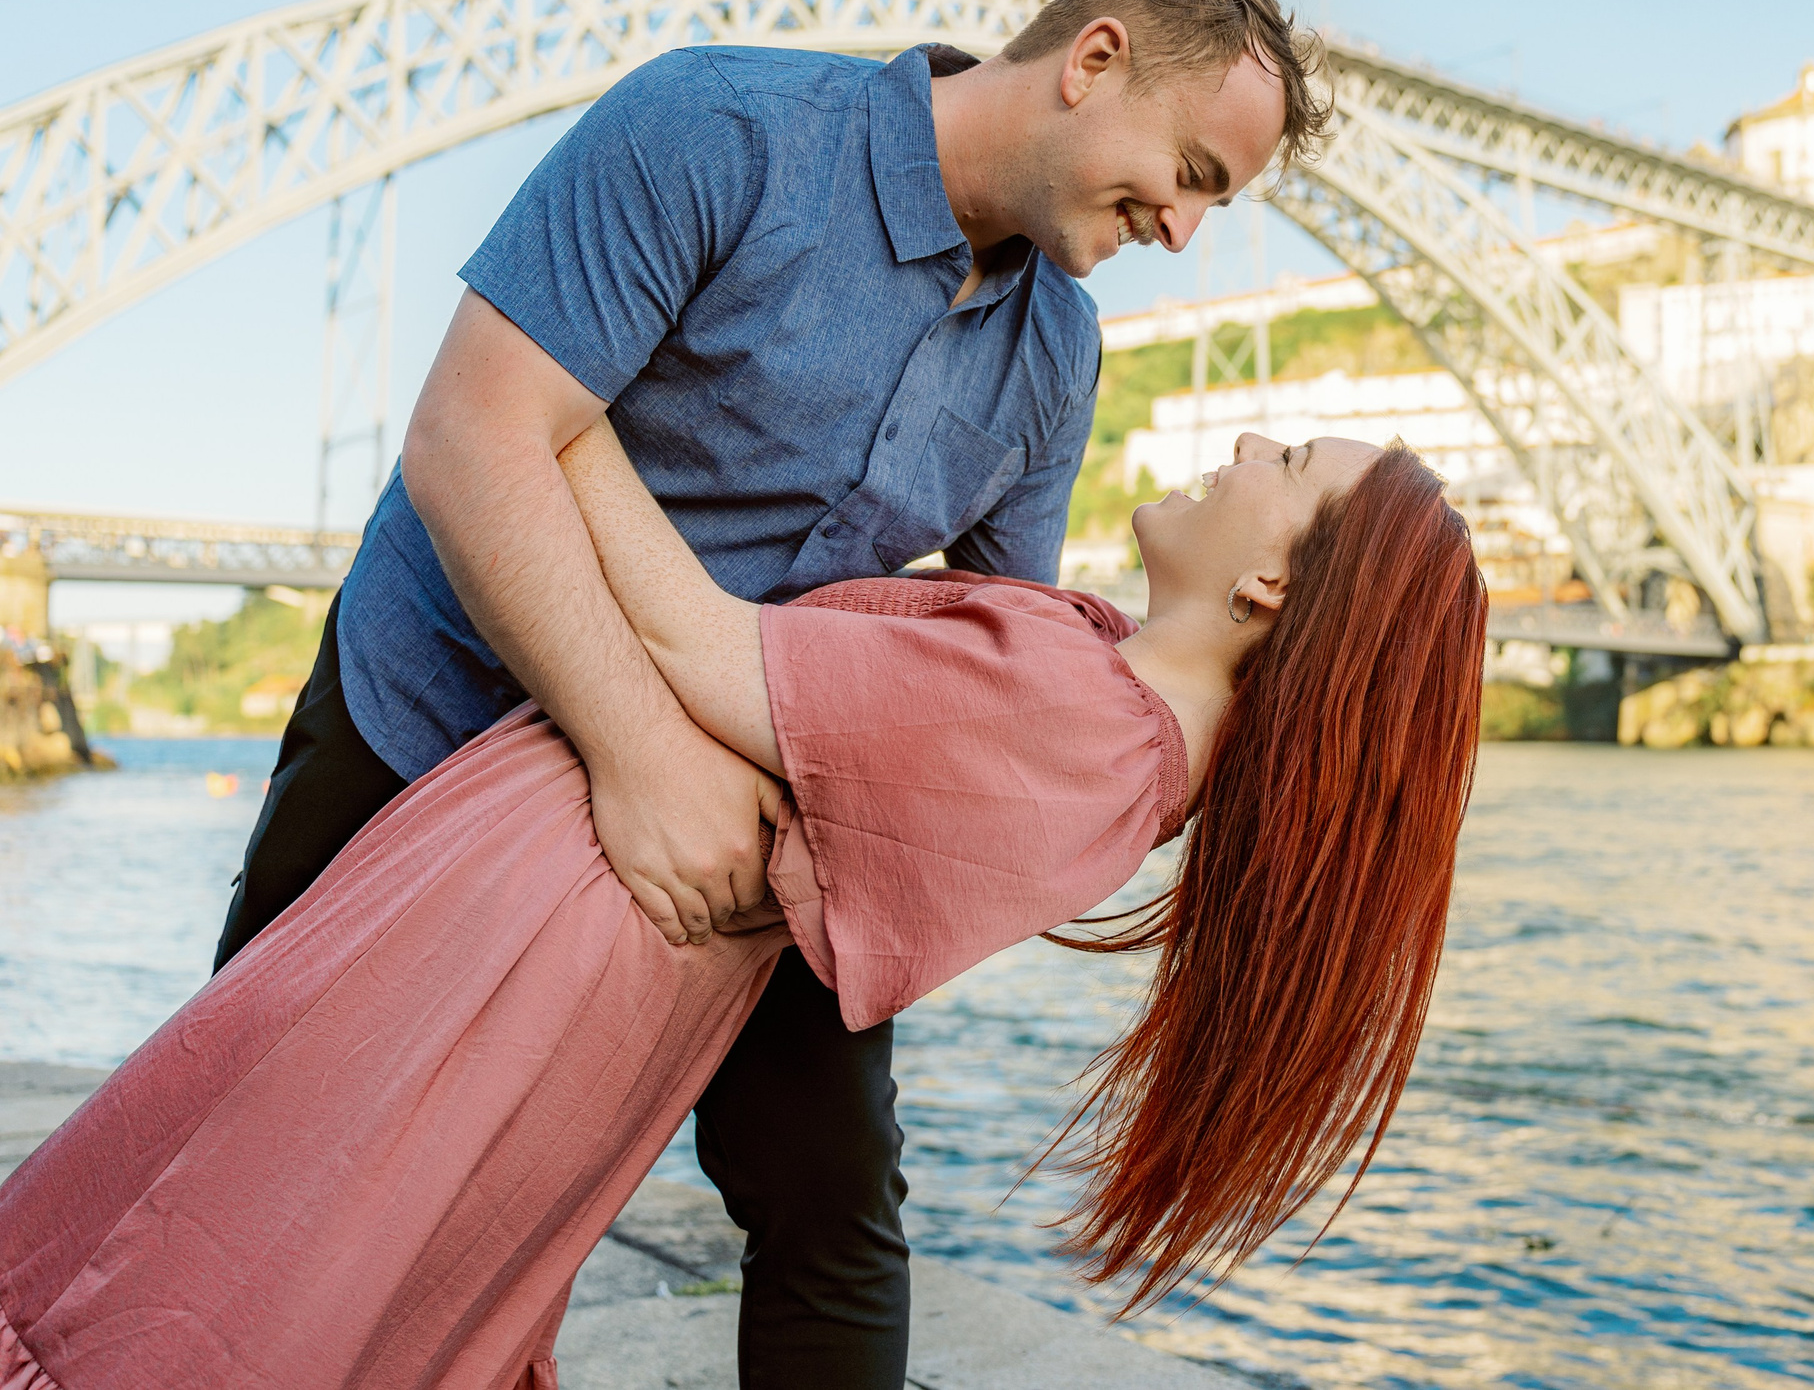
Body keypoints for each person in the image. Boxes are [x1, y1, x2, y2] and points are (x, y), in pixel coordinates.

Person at [208, 0, 1329, 1384]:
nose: (1183, 229)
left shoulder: (1058, 356)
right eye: (1190, 174)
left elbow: (976, 670)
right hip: (426, 718)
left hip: (751, 816)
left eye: (1213, 205)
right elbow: (472, 439)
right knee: (252, 1131)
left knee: (834, 1202)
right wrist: (639, 752)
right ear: (1095, 61)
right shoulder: (716, 129)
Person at [0, 427, 1489, 1390]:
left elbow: (704, 645)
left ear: (1279, 588)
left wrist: (543, 410)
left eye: (1286, 459)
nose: (1243, 441)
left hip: (525, 938)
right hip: (560, 929)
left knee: (231, 1270)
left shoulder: (1084, 723)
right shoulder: (1112, 715)